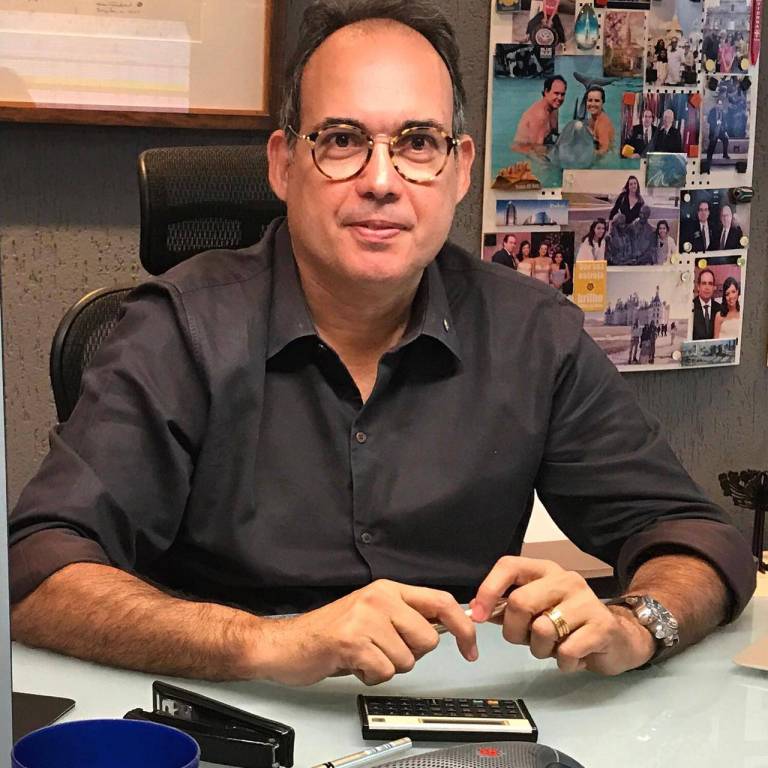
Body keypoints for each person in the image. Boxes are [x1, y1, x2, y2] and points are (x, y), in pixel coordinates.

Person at [9, 0, 753, 686]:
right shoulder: (180, 330)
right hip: (231, 717)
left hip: (464, 727)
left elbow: (694, 538)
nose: (381, 180)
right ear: (283, 164)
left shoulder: (531, 333)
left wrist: (636, 624)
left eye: (418, 143)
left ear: (459, 170)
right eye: (342, 140)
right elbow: (34, 571)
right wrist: (270, 642)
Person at [513, 75, 567, 148]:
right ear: (546, 92)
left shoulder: (554, 108)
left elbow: (554, 134)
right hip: (526, 152)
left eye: (562, 94)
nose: (560, 98)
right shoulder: (539, 117)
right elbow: (536, 151)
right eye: (556, 93)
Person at [692, 268, 722, 339]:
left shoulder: (720, 309)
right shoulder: (691, 306)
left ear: (714, 287)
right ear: (698, 287)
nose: (707, 287)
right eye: (704, 283)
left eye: (710, 284)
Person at [585, 86, 614, 154]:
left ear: (602, 103)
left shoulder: (603, 123)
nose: (593, 104)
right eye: (590, 100)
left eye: (597, 101)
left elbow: (604, 151)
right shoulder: (592, 119)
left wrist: (585, 153)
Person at [706, 98, 730, 164]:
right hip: (714, 131)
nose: (720, 105)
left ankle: (725, 154)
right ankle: (709, 158)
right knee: (712, 144)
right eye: (719, 104)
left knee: (725, 139)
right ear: (716, 104)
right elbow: (709, 120)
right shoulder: (712, 111)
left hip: (720, 131)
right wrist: (716, 122)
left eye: (721, 104)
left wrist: (725, 132)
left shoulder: (722, 112)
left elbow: (724, 123)